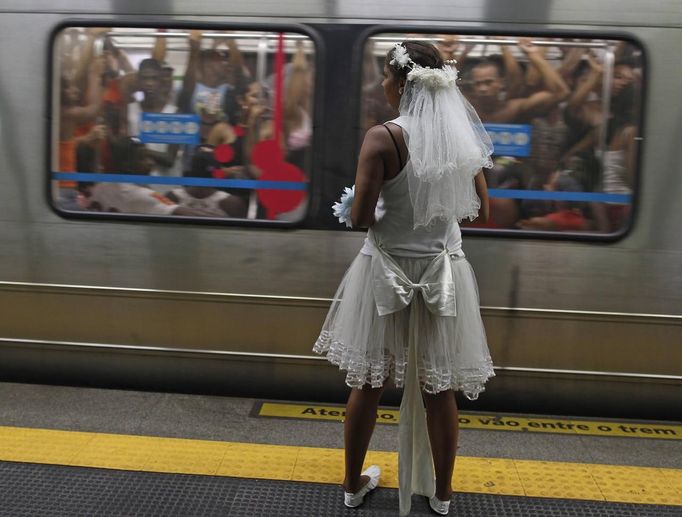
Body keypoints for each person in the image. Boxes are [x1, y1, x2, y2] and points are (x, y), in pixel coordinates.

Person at [313, 41, 495, 516]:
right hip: (443, 273)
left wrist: (375, 202)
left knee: (369, 382)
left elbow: (358, 218)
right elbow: (482, 210)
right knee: (440, 389)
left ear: (403, 85)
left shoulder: (383, 138)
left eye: (386, 78)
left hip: (386, 272)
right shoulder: (462, 140)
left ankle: (353, 485)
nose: (381, 85)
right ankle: (443, 494)